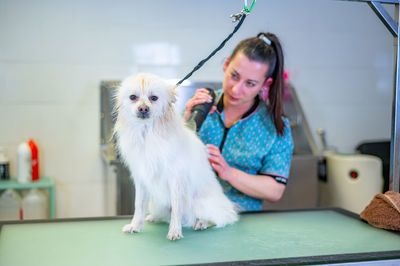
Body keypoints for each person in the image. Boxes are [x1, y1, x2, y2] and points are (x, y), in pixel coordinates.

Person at [183, 32, 294, 211]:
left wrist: (229, 173)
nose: (236, 89)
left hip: (242, 222)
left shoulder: (275, 126)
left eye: (250, 84)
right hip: (189, 217)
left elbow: (275, 190)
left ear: (265, 84)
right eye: (234, 75)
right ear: (226, 65)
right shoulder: (200, 108)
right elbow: (164, 162)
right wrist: (184, 123)